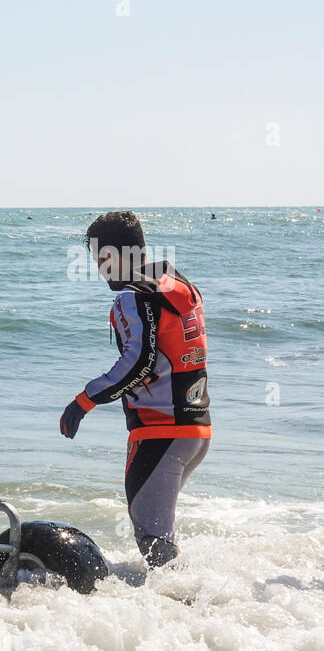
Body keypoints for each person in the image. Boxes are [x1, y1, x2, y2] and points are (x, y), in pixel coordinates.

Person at [59, 211, 211, 567]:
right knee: (160, 538)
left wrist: (83, 402)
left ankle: (185, 610)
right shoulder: (176, 282)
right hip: (196, 428)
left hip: (160, 432)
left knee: (153, 542)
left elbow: (138, 361)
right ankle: (195, 605)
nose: (99, 269)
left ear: (113, 256)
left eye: (100, 259)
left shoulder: (132, 296)